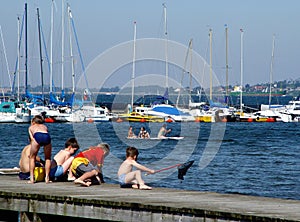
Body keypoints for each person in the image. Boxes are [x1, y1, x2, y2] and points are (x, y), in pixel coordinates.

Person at [28, 115, 52, 184]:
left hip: (37, 136)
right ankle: (47, 177)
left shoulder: (31, 127)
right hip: (46, 137)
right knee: (48, 158)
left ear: (33, 122)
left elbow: (32, 139)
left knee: (32, 157)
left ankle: (32, 178)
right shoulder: (44, 127)